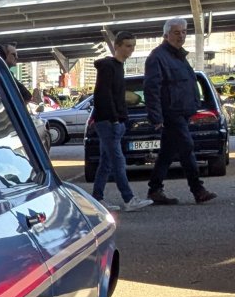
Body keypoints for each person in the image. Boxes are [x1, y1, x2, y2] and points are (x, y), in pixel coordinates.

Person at [145, 18, 216, 205]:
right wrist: (156, 116)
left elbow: (188, 83)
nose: (181, 36)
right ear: (166, 35)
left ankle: (155, 189)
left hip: (183, 112)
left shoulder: (179, 56)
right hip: (171, 112)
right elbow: (151, 89)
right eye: (177, 32)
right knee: (187, 147)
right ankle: (198, 190)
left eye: (184, 32)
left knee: (167, 152)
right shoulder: (157, 57)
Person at [90, 32, 151, 211]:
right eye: (127, 45)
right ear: (117, 46)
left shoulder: (117, 66)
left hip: (112, 121)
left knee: (107, 162)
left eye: (132, 46)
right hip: (109, 122)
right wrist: (115, 119)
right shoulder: (109, 66)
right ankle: (129, 198)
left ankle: (97, 198)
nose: (130, 49)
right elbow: (103, 94)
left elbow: (114, 95)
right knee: (117, 160)